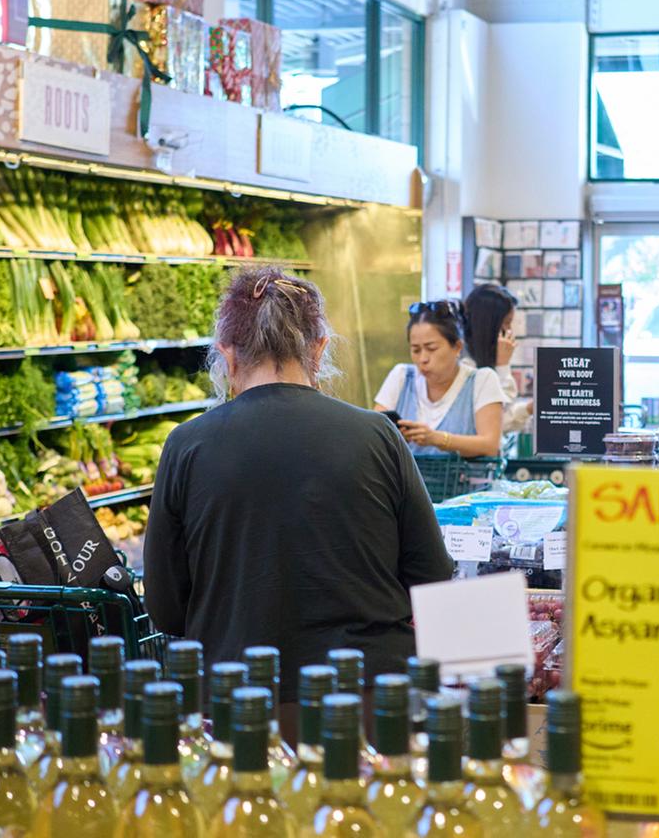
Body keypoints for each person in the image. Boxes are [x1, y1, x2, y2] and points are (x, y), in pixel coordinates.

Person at [144, 266, 455, 695]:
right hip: (370, 697)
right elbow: (432, 574)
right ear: (319, 350)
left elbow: (165, 609)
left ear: (227, 356)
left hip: (238, 703)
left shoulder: (186, 446)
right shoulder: (378, 435)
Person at [373, 300, 506, 458]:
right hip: (404, 483)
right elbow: (373, 433)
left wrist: (437, 439)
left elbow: (490, 445)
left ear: (457, 347)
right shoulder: (401, 376)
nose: (423, 359)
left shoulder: (482, 380)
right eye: (416, 350)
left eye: (431, 348)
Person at [462, 283, 532, 430]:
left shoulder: (485, 358)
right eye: (506, 323)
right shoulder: (465, 365)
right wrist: (503, 366)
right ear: (489, 325)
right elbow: (496, 422)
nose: (510, 331)